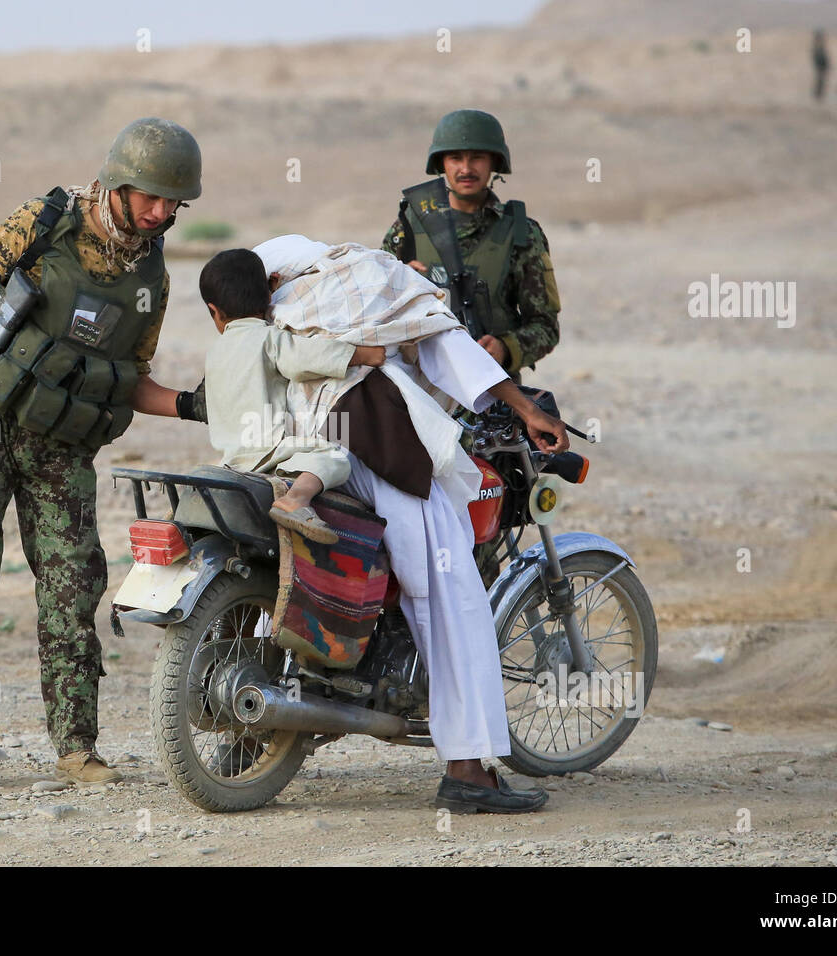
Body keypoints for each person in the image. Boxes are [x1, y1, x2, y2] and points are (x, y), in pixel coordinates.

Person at [0, 118, 209, 788]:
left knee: (74, 591)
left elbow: (131, 377)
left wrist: (192, 405)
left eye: (175, 205)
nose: (162, 214)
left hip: (62, 450)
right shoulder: (45, 222)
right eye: (152, 198)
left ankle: (77, 749)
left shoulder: (152, 278)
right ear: (119, 183)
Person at [255, 235, 569, 813]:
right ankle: (468, 769)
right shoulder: (366, 275)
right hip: (375, 437)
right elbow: (446, 343)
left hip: (296, 450)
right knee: (450, 595)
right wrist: (527, 410)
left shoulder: (270, 307)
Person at [383, 108, 560, 586]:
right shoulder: (410, 225)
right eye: (456, 157)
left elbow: (545, 326)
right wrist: (403, 287)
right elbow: (372, 305)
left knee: (481, 536)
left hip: (489, 403)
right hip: (421, 398)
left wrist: (503, 348)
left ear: (494, 164)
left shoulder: (521, 233)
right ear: (441, 164)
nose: (466, 168)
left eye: (477, 158)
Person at [198, 248, 385, 543]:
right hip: (269, 452)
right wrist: (364, 354)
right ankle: (296, 499)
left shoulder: (213, 353)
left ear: (214, 310)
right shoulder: (268, 338)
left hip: (232, 459)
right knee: (334, 456)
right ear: (271, 293)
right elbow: (306, 358)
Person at [812, 30, 830, 101]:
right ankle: (818, 96)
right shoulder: (817, 47)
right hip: (820, 67)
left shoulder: (821, 47)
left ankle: (819, 96)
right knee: (819, 81)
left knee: (821, 81)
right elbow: (816, 58)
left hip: (822, 67)